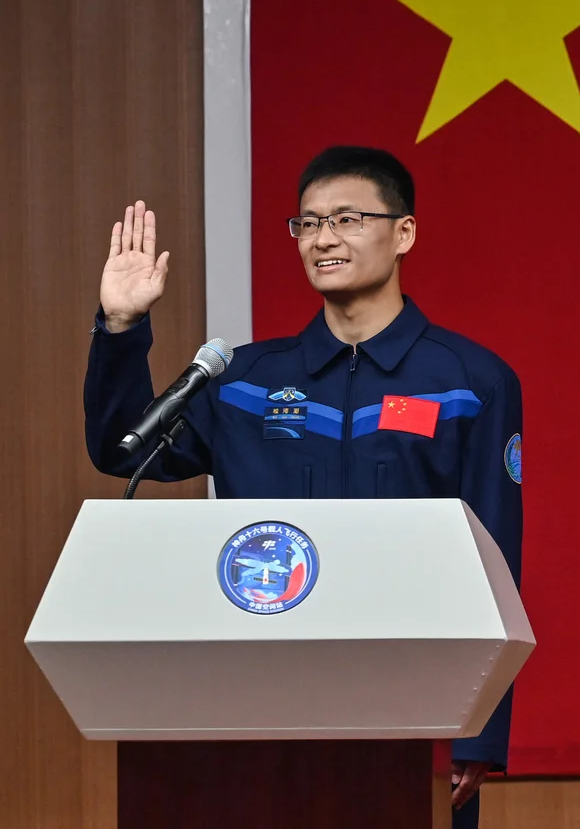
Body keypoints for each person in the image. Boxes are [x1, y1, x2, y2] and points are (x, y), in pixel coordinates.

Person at [84, 146, 523, 829]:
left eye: (347, 218)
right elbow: (122, 450)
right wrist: (120, 327)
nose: (322, 238)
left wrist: (477, 733)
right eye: (308, 222)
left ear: (403, 232)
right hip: (255, 711)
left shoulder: (469, 381)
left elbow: (497, 563)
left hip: (411, 710)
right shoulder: (242, 382)